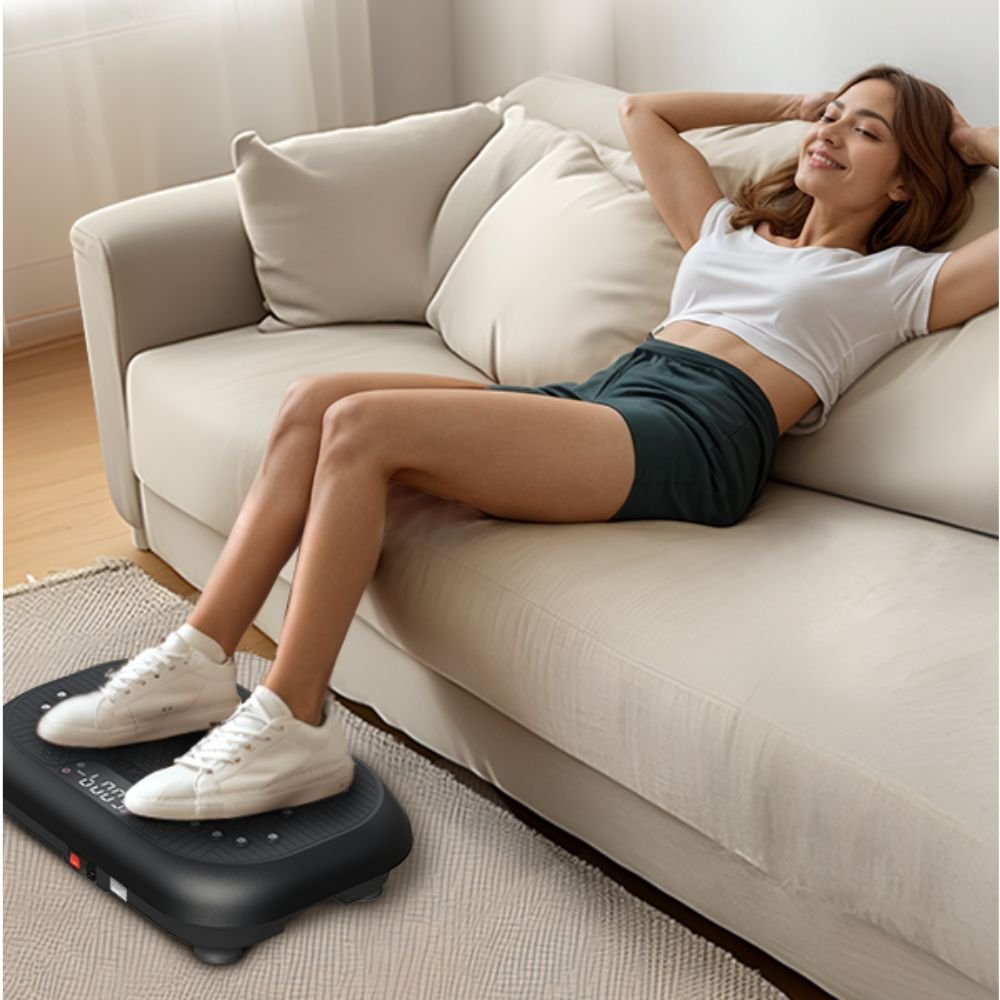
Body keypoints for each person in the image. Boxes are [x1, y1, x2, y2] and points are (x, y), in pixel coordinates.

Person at [37, 64, 998, 822]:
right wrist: (796, 100)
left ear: (908, 178)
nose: (831, 132)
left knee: (364, 426)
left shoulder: (902, 283)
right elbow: (645, 117)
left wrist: (968, 140)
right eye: (833, 116)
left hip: (700, 433)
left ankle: (294, 723)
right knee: (311, 401)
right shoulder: (729, 230)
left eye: (866, 131)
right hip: (615, 395)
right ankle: (201, 662)